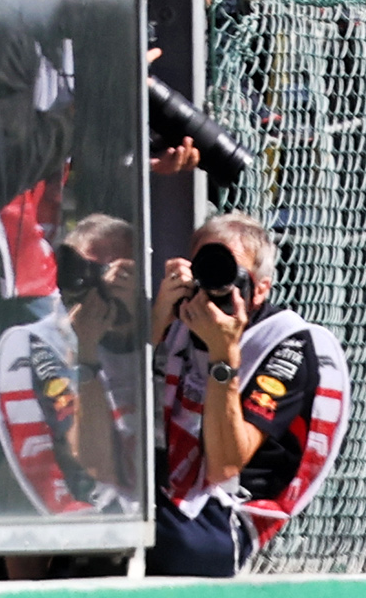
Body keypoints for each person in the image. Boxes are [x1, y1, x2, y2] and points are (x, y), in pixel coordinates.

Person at [146, 212, 351, 575]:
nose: (211, 288)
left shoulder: (286, 345)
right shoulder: (175, 321)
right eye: (202, 271)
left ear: (260, 288)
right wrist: (152, 329)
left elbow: (226, 464)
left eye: (227, 274)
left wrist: (222, 357)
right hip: (160, 490)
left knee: (154, 538)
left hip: (225, 517)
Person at [0, 208, 148, 515]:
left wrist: (137, 323)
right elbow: (97, 464)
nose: (97, 283)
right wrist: (85, 350)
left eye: (118, 272)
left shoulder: (164, 336)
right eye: (81, 271)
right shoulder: (39, 344)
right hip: (88, 516)